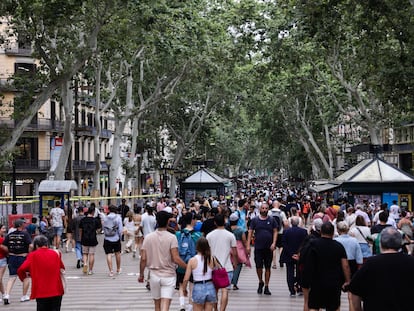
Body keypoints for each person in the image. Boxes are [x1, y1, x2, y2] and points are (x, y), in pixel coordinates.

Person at [349, 227, 414, 311]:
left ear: (381, 243)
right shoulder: (411, 262)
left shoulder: (370, 263)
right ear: (400, 243)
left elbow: (354, 290)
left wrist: (358, 308)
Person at [138, 211, 187, 311]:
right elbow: (176, 258)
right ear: (167, 222)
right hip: (169, 275)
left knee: (157, 304)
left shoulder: (148, 238)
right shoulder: (172, 237)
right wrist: (188, 267)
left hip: (154, 275)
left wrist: (141, 274)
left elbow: (143, 258)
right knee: (165, 303)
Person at [301, 222, 351, 311]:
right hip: (334, 283)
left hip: (316, 282)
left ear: (321, 232)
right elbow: (345, 265)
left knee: (314, 306)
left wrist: (306, 281)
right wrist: (347, 281)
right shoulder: (339, 246)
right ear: (333, 233)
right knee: (334, 307)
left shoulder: (313, 244)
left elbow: (308, 264)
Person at [17, 235, 65, 311]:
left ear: (36, 245)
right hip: (56, 289)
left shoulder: (32, 255)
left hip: (41, 290)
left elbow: (21, 269)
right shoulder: (56, 253)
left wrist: (24, 277)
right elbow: (62, 268)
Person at [206, 214, 238, 311]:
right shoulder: (230, 235)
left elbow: (207, 252)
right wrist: (235, 263)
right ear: (224, 222)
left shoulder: (209, 235)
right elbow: (235, 252)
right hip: (227, 267)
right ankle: (222, 309)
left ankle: (215, 309)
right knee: (225, 290)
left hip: (213, 267)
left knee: (214, 290)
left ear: (215, 222)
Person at [246, 202, 278, 296]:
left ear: (268, 209)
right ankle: (260, 281)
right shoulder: (255, 220)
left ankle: (267, 286)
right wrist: (248, 245)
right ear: (260, 209)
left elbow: (275, 231)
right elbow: (250, 232)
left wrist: (274, 243)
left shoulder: (272, 220)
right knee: (258, 266)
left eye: (266, 208)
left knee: (268, 267)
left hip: (268, 248)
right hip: (258, 247)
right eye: (263, 208)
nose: (264, 210)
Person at [1, 219, 33, 304]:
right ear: (20, 225)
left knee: (12, 277)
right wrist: (29, 253)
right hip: (23, 257)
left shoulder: (10, 235)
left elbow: (3, 246)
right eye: (23, 223)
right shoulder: (25, 234)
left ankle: (7, 295)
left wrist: (9, 252)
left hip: (12, 258)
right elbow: (30, 245)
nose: (25, 224)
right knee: (26, 277)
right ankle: (24, 296)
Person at [182, 237, 217, 311]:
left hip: (198, 286)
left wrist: (184, 289)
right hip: (210, 286)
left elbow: (186, 278)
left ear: (197, 247)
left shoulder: (192, 260)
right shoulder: (212, 259)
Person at [176, 212, 202, 311]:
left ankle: (182, 305)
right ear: (192, 220)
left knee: (181, 285)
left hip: (181, 263)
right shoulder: (197, 235)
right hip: (194, 264)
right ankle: (190, 307)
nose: (196, 221)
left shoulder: (178, 234)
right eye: (195, 219)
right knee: (192, 286)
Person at [281, 216, 308, 297]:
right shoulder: (304, 232)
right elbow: (305, 244)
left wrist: (291, 254)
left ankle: (292, 290)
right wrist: (299, 253)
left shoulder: (286, 231)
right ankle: (299, 288)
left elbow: (284, 244)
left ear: (291, 223)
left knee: (290, 272)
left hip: (289, 256)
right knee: (300, 272)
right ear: (299, 223)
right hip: (300, 256)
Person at [79, 206, 102, 275]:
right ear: (93, 212)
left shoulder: (83, 220)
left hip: (84, 238)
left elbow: (80, 230)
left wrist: (80, 237)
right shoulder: (95, 220)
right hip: (92, 239)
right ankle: (90, 270)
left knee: (85, 253)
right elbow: (99, 230)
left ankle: (85, 263)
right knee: (91, 254)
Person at [103, 205, 123, 277]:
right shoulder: (118, 217)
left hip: (107, 238)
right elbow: (120, 230)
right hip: (116, 238)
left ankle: (111, 271)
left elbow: (104, 228)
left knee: (108, 254)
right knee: (117, 253)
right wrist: (120, 238)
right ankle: (118, 269)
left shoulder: (105, 218)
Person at [0, 225, 8, 299]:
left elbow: (6, 251)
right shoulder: (3, 239)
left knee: (0, 278)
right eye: (3, 228)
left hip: (2, 260)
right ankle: (3, 294)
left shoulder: (3, 239)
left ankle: (3, 294)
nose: (4, 230)